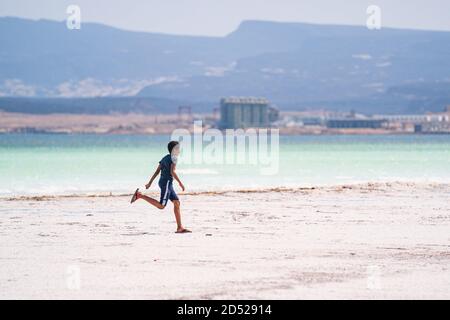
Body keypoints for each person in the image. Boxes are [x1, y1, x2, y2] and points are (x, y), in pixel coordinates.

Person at [130, 141, 191, 233]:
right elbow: (172, 172)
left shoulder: (165, 158)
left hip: (165, 183)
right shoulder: (174, 158)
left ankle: (180, 227)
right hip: (166, 183)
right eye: (178, 148)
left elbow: (157, 171)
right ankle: (139, 195)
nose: (179, 150)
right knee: (161, 206)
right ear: (173, 149)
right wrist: (180, 183)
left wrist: (150, 183)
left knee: (176, 202)